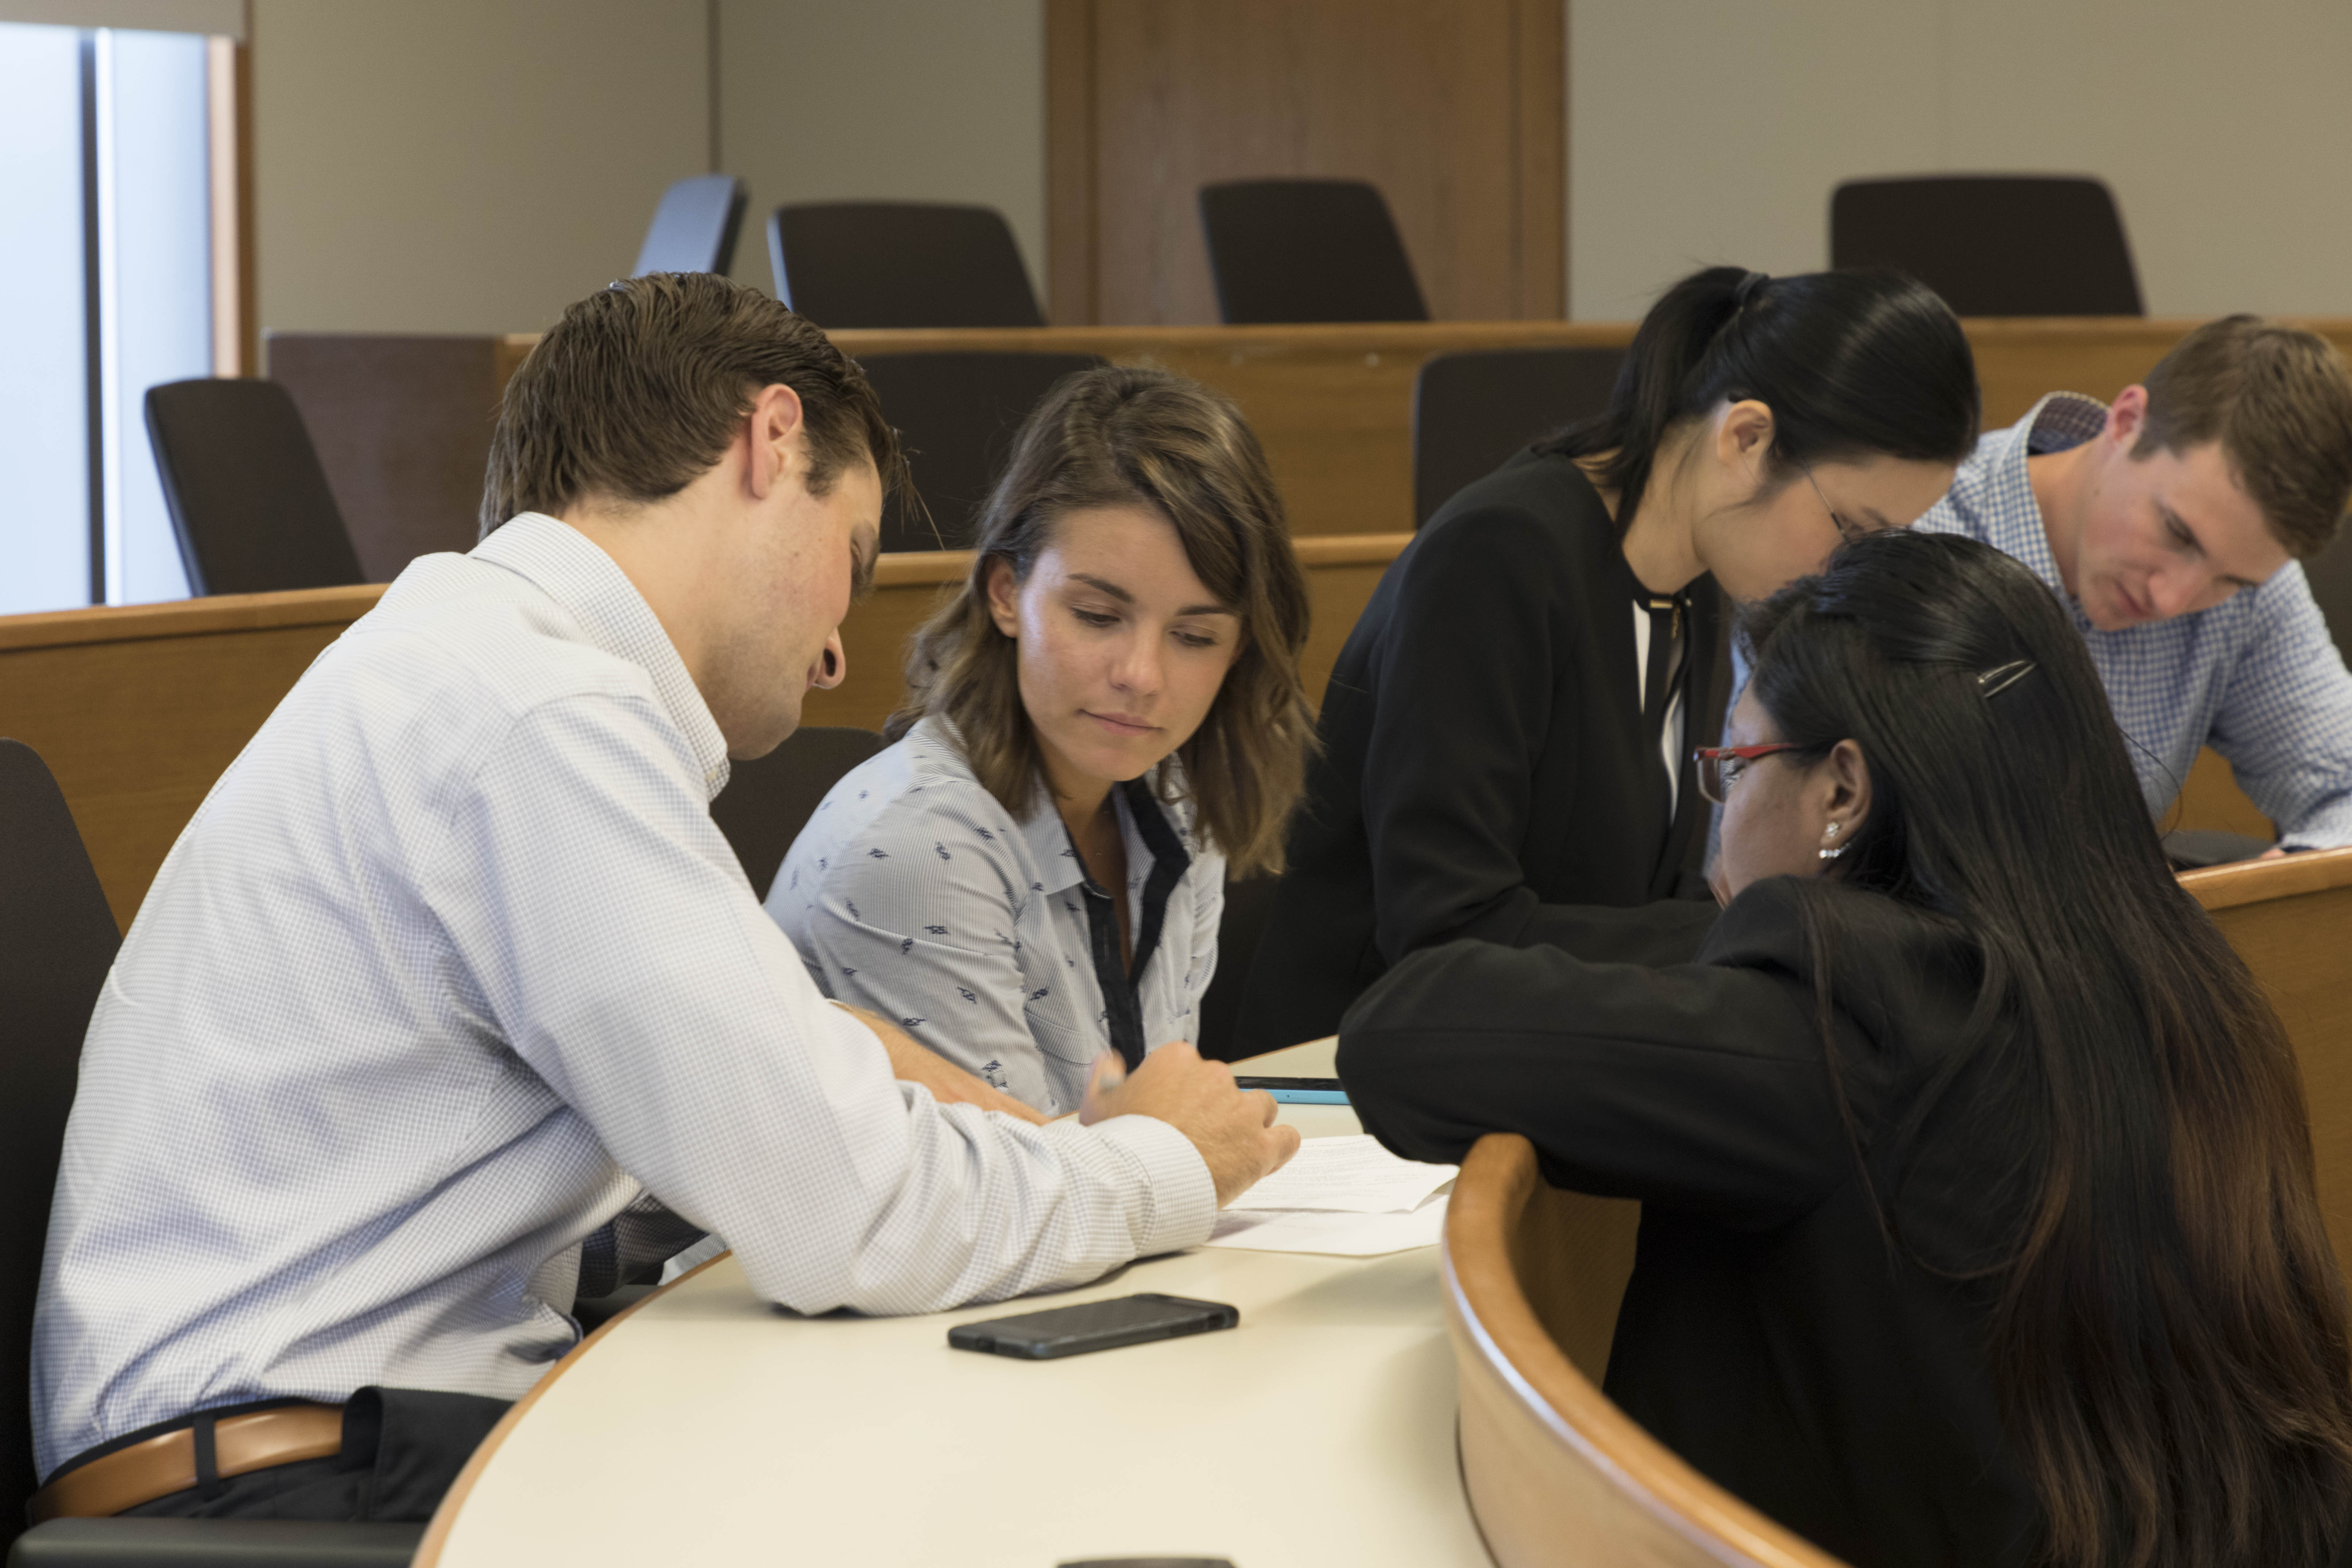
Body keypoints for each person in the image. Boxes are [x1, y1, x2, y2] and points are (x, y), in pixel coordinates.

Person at [29, 275, 1297, 1526]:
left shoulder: (478, 665)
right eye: (848, 563)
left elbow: (779, 1103)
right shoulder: (539, 714)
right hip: (293, 1492)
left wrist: (976, 1126)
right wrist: (1161, 1163)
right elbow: (847, 1214)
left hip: (316, 1446)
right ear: (772, 438)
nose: (838, 650)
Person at [1340, 530, 2352, 1568]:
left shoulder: (1853, 1022)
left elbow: (1403, 1032)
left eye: (1734, 765)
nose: (1721, 814)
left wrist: (1745, 932)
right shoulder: (2189, 984)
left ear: (1842, 793)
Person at [1232, 264, 1979, 1055]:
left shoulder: (1692, 583)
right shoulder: (1499, 555)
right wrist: (1767, 931)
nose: (1842, 570)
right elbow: (1444, 927)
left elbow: (1624, 902)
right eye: (1851, 529)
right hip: (1345, 1081)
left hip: (1516, 1050)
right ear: (1746, 439)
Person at [767, 367, 1314, 1116]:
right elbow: (1016, 1197)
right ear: (1004, 593)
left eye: (1193, 635)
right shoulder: (918, 845)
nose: (1141, 675)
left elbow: (1137, 1145)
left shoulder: (1175, 797)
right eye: (1095, 614)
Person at [1914, 314, 2352, 848]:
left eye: (2230, 579)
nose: (2172, 600)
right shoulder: (1914, 528)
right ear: (2125, 422)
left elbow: (2342, 783)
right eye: (2178, 533)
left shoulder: (2256, 591)